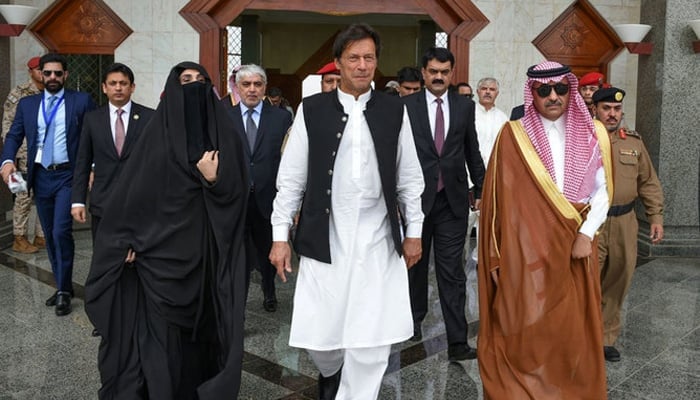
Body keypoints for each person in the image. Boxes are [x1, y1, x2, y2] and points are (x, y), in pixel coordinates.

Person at [269, 23, 424, 399]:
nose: (362, 65)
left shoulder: (394, 109)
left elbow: (409, 176)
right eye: (353, 57)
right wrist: (279, 237)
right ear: (338, 62)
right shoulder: (312, 109)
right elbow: (290, 179)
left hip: (378, 237)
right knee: (320, 336)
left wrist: (414, 230)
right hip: (327, 235)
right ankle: (332, 371)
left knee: (372, 336)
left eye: (369, 57)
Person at [84, 61, 248, 399]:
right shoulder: (154, 135)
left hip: (203, 258)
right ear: (171, 88)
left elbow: (239, 195)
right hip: (155, 260)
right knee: (158, 341)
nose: (194, 86)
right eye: (185, 80)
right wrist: (123, 242)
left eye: (201, 81)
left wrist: (213, 180)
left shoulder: (226, 132)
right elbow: (132, 196)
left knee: (198, 338)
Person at [477, 61, 613, 399]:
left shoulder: (594, 132)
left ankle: (570, 389)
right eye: (544, 90)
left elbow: (604, 190)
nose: (553, 96)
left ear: (570, 89)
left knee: (572, 326)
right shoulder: (513, 135)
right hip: (525, 252)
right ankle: (524, 389)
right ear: (532, 93)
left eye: (561, 88)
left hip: (576, 246)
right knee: (525, 322)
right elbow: (496, 200)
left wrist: (586, 233)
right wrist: (496, 256)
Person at [403, 47, 485, 361]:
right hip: (414, 203)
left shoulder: (464, 107)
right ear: (423, 73)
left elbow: (471, 150)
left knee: (453, 273)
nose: (439, 77)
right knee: (415, 267)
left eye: (444, 72)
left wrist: (483, 187)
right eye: (433, 71)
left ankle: (458, 341)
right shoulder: (405, 106)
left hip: (452, 201)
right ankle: (411, 322)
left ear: (452, 74)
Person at [1, 53, 96, 316]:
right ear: (40, 75)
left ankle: (64, 290)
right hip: (40, 176)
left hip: (68, 176)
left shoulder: (81, 101)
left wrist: (92, 168)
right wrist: (6, 161)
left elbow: (94, 135)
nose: (52, 77)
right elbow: (13, 135)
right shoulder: (28, 104)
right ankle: (62, 285)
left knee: (59, 232)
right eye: (48, 73)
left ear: (65, 75)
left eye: (58, 73)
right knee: (50, 235)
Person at [593, 87, 664, 362]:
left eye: (617, 109)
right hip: (592, 224)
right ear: (595, 109)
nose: (612, 114)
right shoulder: (583, 139)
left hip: (625, 221)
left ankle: (605, 338)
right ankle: (580, 336)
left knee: (618, 281)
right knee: (586, 283)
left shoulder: (633, 142)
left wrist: (655, 216)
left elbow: (648, 181)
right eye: (607, 108)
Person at [221, 64, 292, 312]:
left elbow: (288, 160)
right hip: (235, 199)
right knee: (237, 255)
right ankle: (237, 300)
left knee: (267, 250)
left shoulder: (281, 118)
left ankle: (269, 291)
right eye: (246, 84)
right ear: (238, 88)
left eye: (257, 84)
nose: (252, 89)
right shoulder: (223, 116)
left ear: (264, 87)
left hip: (268, 198)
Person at [71, 63, 155, 240]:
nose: (118, 88)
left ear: (132, 87)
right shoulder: (93, 119)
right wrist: (78, 201)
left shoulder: (150, 117)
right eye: (113, 83)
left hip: (139, 202)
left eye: (123, 83)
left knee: (138, 259)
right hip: (103, 201)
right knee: (104, 257)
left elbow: (156, 160)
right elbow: (83, 162)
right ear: (104, 87)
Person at [1, 56, 46, 253]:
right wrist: (12, 157)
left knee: (45, 194)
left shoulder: (53, 92)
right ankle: (19, 238)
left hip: (45, 154)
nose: (41, 73)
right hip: (22, 156)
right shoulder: (19, 93)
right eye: (37, 69)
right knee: (23, 196)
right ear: (31, 72)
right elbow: (8, 126)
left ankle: (41, 236)